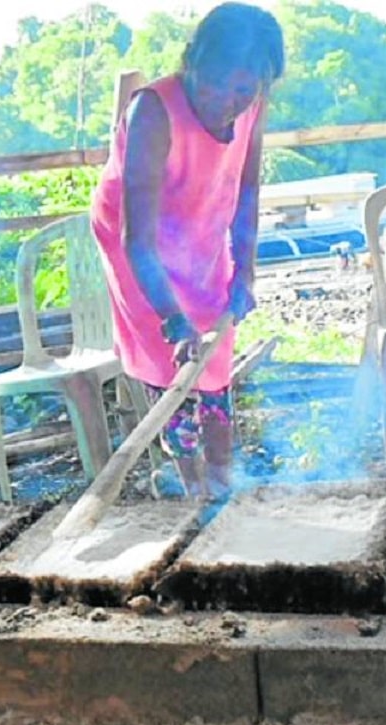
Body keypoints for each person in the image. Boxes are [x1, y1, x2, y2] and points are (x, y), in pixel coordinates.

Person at [90, 2, 284, 500]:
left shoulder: (251, 101)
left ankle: (222, 474)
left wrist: (245, 272)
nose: (227, 100)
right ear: (192, 61)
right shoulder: (153, 110)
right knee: (170, 361)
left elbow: (247, 188)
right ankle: (196, 486)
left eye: (243, 89)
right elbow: (139, 237)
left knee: (214, 353)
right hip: (139, 239)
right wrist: (172, 318)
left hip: (203, 218)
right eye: (215, 83)